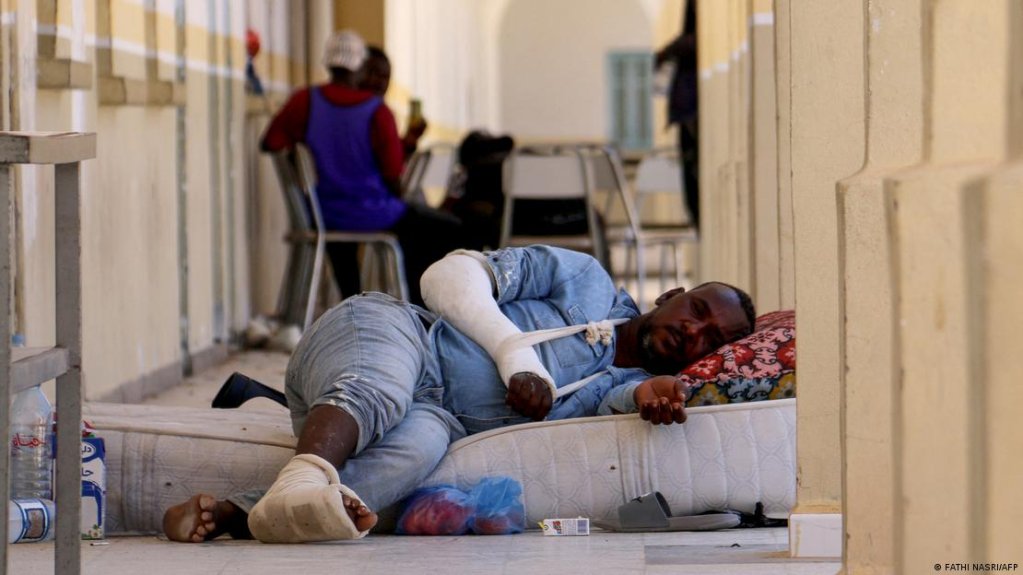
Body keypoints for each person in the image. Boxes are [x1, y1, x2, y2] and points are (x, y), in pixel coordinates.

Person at [162, 245, 755, 543]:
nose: (694, 331)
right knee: (381, 390)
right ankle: (305, 478)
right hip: (395, 333)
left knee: (416, 452)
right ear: (671, 295)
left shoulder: (624, 388)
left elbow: (626, 401)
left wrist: (654, 391)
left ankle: (241, 514)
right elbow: (447, 274)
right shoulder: (586, 280)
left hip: (436, 415)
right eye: (698, 310)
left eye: (712, 340)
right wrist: (515, 357)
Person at [261, 30, 460, 306]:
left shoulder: (304, 101)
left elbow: (271, 142)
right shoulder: (377, 111)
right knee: (447, 229)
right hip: (373, 213)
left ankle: (352, 301)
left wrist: (300, 157)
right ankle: (421, 306)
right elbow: (393, 178)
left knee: (344, 237)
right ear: (360, 67)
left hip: (325, 213)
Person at [655, 0, 700, 230]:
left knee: (694, 178)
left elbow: (700, 39)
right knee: (691, 181)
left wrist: (666, 53)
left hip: (692, 106)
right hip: (688, 107)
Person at [359, 46, 427, 160]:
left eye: (386, 77)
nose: (381, 82)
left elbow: (392, 160)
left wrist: (410, 139)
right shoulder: (379, 115)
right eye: (374, 73)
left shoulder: (381, 114)